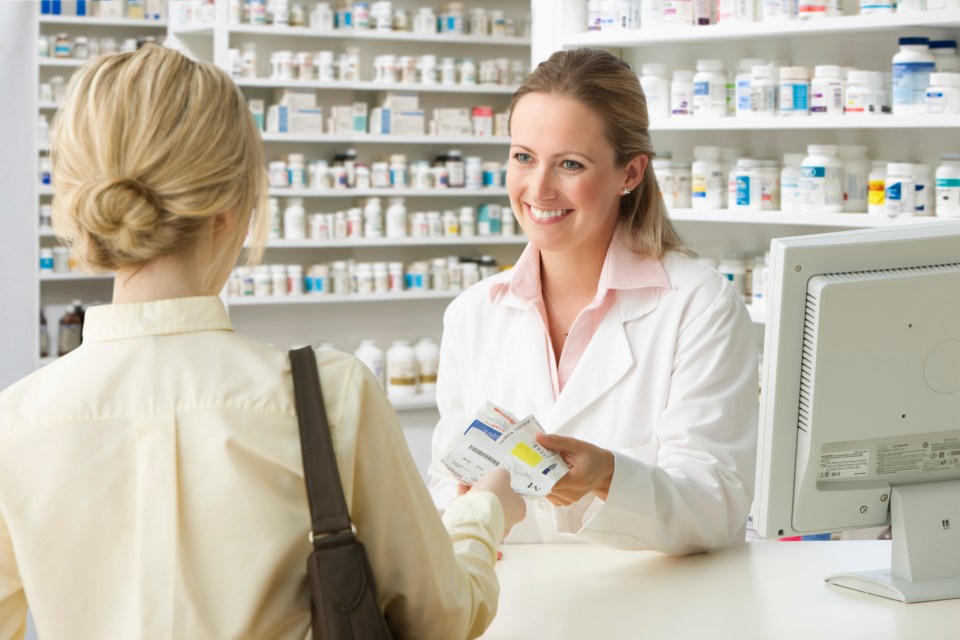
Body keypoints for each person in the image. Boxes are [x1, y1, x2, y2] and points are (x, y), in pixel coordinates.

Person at [0, 45, 524, 639]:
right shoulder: (328, 395)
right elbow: (440, 618)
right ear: (232, 207)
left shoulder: (17, 423)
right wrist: (484, 513)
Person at [428, 48, 758, 555]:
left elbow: (715, 505)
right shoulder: (473, 315)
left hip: (659, 613)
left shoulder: (699, 305)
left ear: (630, 173)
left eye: (570, 164)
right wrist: (468, 508)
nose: (538, 189)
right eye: (523, 157)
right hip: (511, 608)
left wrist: (609, 477)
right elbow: (445, 482)